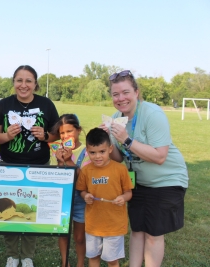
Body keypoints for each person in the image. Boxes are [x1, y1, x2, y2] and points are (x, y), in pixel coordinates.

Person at [101, 70, 189, 267]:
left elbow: (160, 156)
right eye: (116, 94)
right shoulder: (116, 117)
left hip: (167, 181)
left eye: (125, 92)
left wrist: (126, 139)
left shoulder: (152, 113)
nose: (121, 98)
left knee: (152, 234)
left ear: (136, 92)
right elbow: (117, 158)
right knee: (137, 230)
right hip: (139, 182)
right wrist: (107, 142)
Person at [0, 65, 60, 267]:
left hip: (39, 165)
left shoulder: (46, 104)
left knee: (32, 209)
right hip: (9, 165)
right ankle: (12, 255)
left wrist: (45, 135)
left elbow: (57, 134)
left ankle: (27, 256)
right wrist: (8, 135)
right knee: (9, 208)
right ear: (13, 82)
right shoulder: (3, 105)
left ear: (35, 84)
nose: (24, 85)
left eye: (28, 81)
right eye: (19, 80)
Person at [76, 128, 133, 267]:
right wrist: (86, 196)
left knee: (112, 260)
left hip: (114, 225)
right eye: (92, 153)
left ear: (110, 149)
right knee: (93, 257)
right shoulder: (86, 170)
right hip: (93, 224)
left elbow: (129, 193)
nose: (97, 157)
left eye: (102, 151)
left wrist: (123, 198)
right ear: (87, 152)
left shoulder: (120, 169)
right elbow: (81, 190)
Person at [49, 114, 90, 267]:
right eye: (62, 133)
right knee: (63, 233)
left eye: (69, 131)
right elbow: (54, 177)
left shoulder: (86, 151)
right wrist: (60, 161)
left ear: (78, 130)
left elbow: (84, 178)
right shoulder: (55, 149)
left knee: (79, 237)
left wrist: (68, 160)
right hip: (62, 198)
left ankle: (80, 263)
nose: (65, 136)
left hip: (81, 198)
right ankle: (65, 262)